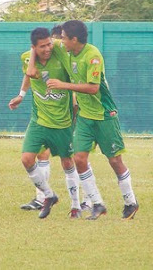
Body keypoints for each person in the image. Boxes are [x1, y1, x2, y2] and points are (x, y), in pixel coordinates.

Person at [47, 20, 138, 220]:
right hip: (85, 117)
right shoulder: (67, 51)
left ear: (74, 39)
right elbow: (46, 46)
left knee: (114, 160)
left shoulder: (93, 55)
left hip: (104, 115)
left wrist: (63, 85)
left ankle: (130, 201)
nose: (61, 41)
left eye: (63, 38)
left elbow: (93, 88)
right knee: (79, 158)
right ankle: (97, 203)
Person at [9, 27, 82, 219]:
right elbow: (30, 73)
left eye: (49, 43)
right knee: (26, 159)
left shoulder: (59, 52)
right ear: (33, 47)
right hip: (39, 120)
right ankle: (49, 196)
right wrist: (21, 95)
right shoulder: (27, 57)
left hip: (62, 122)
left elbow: (73, 67)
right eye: (42, 46)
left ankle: (76, 206)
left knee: (67, 162)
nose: (48, 48)